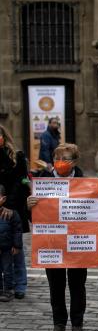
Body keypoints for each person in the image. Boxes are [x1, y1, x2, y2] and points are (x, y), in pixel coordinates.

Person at [27, 143, 98, 331]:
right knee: (55, 285)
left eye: (66, 159)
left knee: (77, 285)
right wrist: (29, 206)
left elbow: (94, 218)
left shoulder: (85, 184)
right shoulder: (43, 183)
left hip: (77, 244)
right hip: (52, 243)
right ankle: (59, 324)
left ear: (75, 162)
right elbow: (34, 218)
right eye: (58, 159)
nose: (61, 163)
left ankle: (77, 325)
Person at [0, 125, 30, 300]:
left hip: (13, 207)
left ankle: (20, 284)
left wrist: (9, 205)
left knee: (15, 247)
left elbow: (21, 181)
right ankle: (6, 285)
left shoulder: (16, 156)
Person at [0, 185, 22, 303]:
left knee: (8, 270)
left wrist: (17, 245)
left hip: (7, 248)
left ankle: (8, 290)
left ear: (3, 199)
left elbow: (17, 231)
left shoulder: (11, 214)